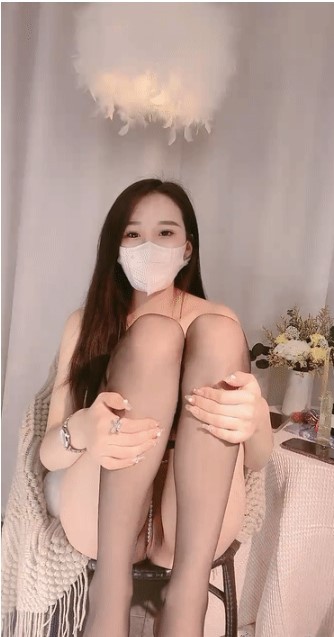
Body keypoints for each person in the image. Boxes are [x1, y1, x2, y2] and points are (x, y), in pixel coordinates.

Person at [38, 179, 273, 637]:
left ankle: (187, 599)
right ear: (115, 248)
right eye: (133, 234)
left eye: (165, 232)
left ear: (187, 249)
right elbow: (48, 454)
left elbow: (256, 460)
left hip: (190, 518)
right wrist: (82, 429)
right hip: (100, 502)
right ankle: (109, 594)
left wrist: (257, 420)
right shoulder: (84, 325)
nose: (148, 245)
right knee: (154, 336)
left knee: (217, 333)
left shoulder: (219, 323)